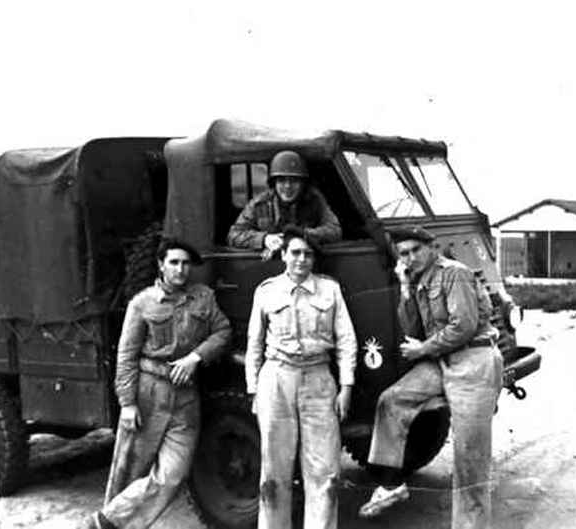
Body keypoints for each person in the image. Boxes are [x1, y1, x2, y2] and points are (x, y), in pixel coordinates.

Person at [358, 226, 503, 529]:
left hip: (473, 362)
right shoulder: (417, 280)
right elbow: (411, 330)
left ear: (431, 247)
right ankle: (392, 483)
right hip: (441, 361)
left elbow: (463, 326)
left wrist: (423, 348)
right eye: (404, 254)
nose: (410, 258)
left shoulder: (455, 273)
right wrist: (405, 288)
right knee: (391, 401)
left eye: (415, 250)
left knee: (469, 463)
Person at [82, 239, 231, 529]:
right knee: (129, 471)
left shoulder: (203, 298)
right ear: (161, 265)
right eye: (174, 262)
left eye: (186, 263)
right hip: (149, 392)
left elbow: (222, 331)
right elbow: (126, 356)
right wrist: (127, 403)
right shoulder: (142, 303)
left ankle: (104, 522)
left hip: (186, 398)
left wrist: (196, 358)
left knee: (172, 475)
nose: (181, 269)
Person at [245, 226, 357, 529]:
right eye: (295, 252)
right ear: (283, 255)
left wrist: (346, 386)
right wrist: (254, 390)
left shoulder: (329, 290)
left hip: (318, 379)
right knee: (274, 471)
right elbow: (254, 342)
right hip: (277, 378)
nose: (302, 259)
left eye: (308, 254)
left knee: (325, 472)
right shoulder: (266, 291)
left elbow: (346, 340)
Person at [227, 150, 342, 257]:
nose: (287, 186)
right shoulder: (259, 204)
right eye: (282, 181)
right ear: (274, 183)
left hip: (303, 260)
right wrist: (264, 239)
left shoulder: (314, 200)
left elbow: (334, 230)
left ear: (302, 184)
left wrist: (302, 236)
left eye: (294, 181)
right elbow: (234, 235)